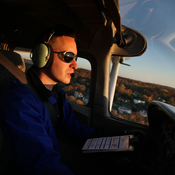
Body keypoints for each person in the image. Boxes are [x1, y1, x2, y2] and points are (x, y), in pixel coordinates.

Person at [0, 25, 98, 175]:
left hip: (54, 149)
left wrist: (97, 138)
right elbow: (42, 164)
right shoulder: (20, 102)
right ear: (43, 55)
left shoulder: (57, 93)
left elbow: (71, 125)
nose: (76, 65)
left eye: (75, 57)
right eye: (68, 56)